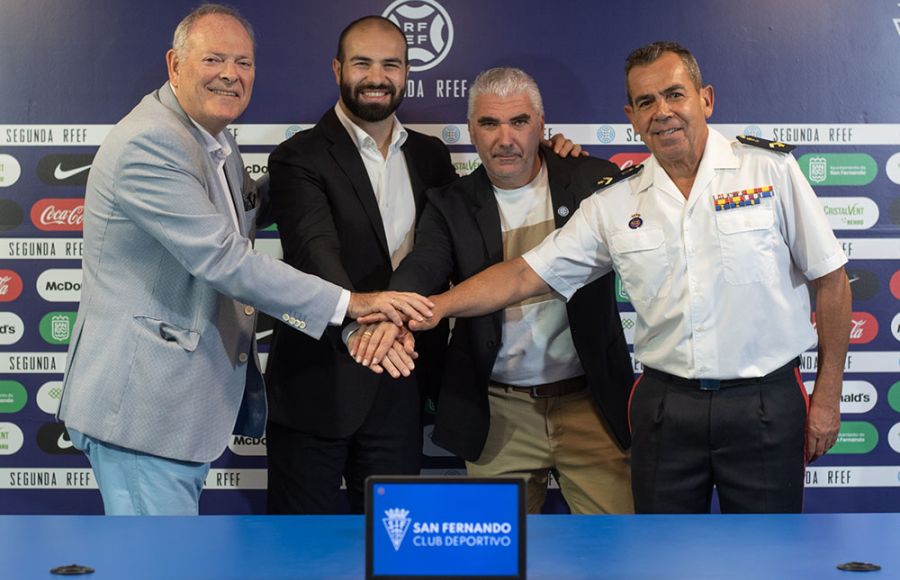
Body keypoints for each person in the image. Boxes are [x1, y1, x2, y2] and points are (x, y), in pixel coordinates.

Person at [360, 42, 851, 514]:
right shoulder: (614, 201)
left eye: (674, 94)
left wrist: (827, 397)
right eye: (645, 102)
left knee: (767, 555)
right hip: (664, 408)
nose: (661, 111)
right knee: (658, 557)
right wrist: (433, 307)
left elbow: (830, 279)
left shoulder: (770, 172)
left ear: (706, 99)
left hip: (764, 401)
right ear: (631, 117)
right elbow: (524, 275)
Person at [57, 4, 432, 516]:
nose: (231, 75)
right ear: (175, 65)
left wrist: (311, 180)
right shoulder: (152, 142)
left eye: (244, 63)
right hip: (142, 408)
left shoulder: (211, 137)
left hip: (174, 408)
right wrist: (351, 304)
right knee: (156, 565)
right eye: (214, 59)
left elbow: (247, 207)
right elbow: (224, 258)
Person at [264, 17, 583, 514]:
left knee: (393, 546)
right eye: (362, 63)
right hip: (317, 385)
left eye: (390, 64)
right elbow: (314, 255)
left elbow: (439, 254)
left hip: (401, 384)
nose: (377, 76)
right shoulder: (297, 156)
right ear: (337, 69)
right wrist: (363, 330)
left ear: (407, 72)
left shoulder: (432, 156)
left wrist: (558, 155)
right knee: (299, 552)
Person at [360, 67, 634, 514]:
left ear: (542, 127)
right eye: (489, 123)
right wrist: (393, 307)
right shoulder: (448, 203)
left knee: (618, 552)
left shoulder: (593, 182)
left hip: (592, 407)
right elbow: (424, 264)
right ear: (471, 130)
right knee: (491, 560)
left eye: (519, 122)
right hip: (498, 413)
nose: (505, 138)